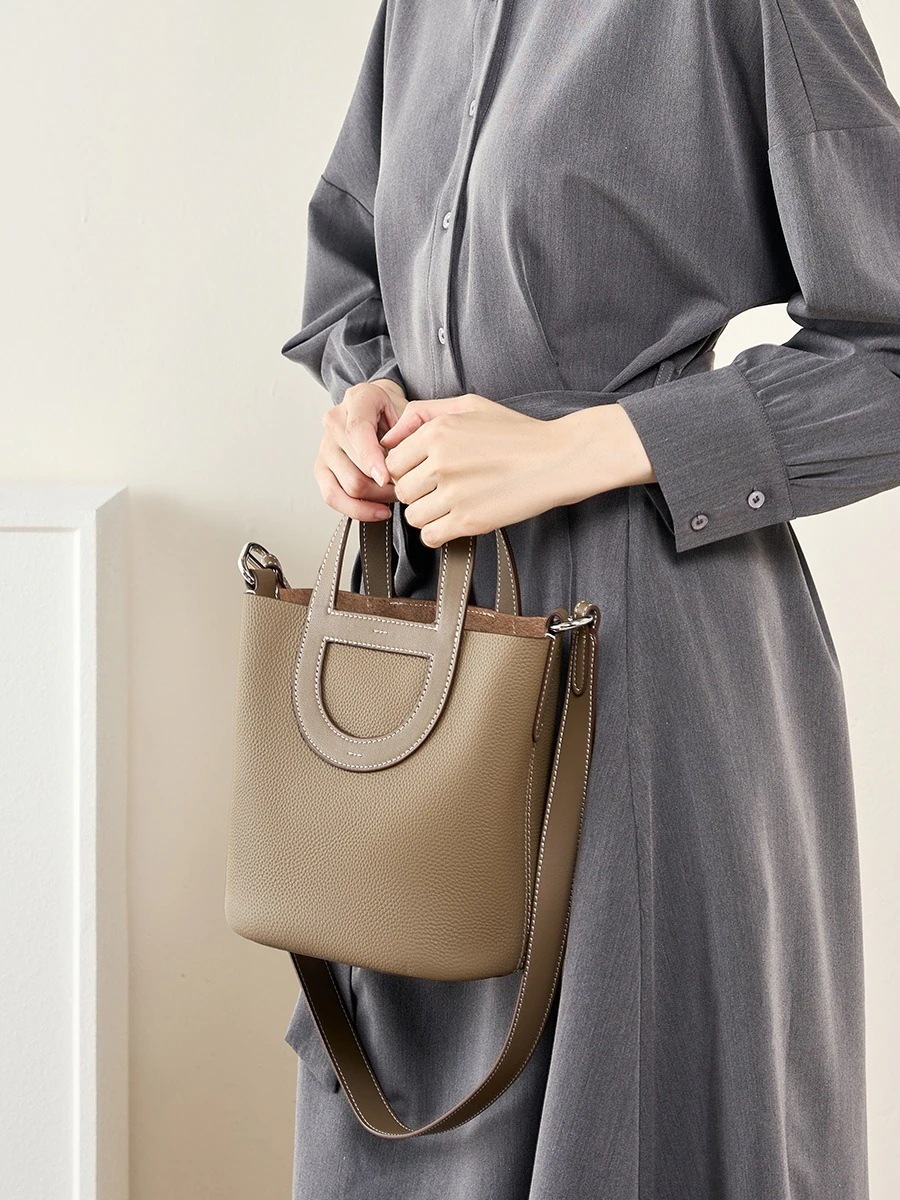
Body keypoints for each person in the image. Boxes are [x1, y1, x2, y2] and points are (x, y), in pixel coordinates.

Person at [279, 1, 900, 1197]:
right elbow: (349, 277)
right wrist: (370, 401)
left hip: (649, 653)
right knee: (400, 1088)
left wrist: (581, 447)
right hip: (428, 639)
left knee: (630, 1110)